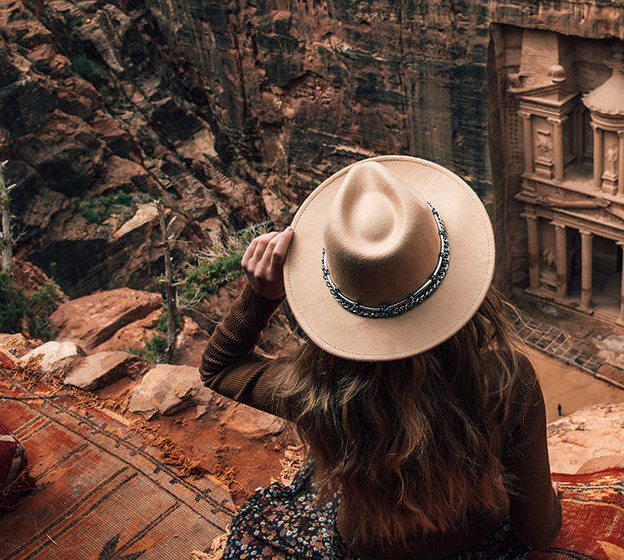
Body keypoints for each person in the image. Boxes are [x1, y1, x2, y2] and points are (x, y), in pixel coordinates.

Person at [201, 156, 562, 559]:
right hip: (481, 545)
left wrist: (260, 296)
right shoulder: (506, 382)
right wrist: (548, 501)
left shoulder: (314, 393)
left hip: (364, 549)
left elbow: (219, 367)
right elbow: (538, 533)